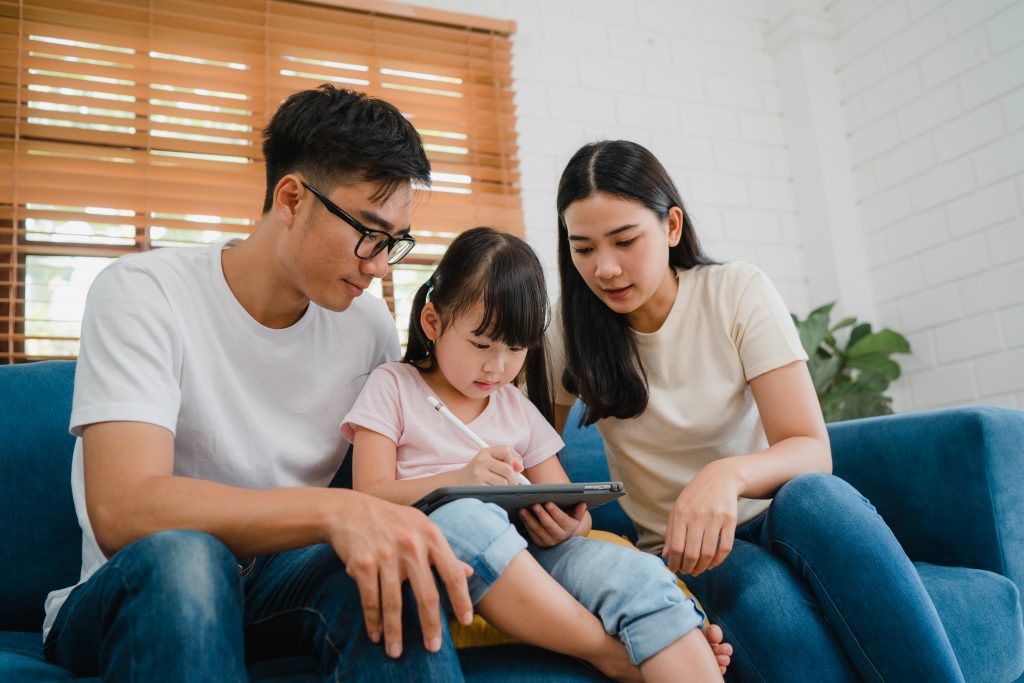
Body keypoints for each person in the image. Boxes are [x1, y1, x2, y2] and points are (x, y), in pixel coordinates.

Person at [41, 85, 480, 682]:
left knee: (391, 566)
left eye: (394, 244)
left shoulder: (366, 324)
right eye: (369, 233)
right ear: (292, 199)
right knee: (188, 558)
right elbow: (124, 509)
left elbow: (406, 466)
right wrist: (335, 511)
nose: (379, 266)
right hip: (142, 586)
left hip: (279, 579)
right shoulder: (144, 291)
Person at [547, 140, 967, 682]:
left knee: (819, 496)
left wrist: (726, 476)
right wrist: (558, 510)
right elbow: (535, 452)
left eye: (625, 241)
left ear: (671, 226)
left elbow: (811, 449)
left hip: (778, 514)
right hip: (687, 550)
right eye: (583, 249)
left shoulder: (735, 291)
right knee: (762, 594)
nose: (605, 269)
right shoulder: (568, 327)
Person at [342, 226, 727, 682]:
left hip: (530, 553)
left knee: (639, 574)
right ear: (432, 322)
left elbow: (569, 504)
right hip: (442, 551)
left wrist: (569, 524)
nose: (497, 366)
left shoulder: (514, 405)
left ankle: (681, 647)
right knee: (465, 518)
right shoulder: (394, 386)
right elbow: (367, 497)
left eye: (515, 348)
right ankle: (609, 653)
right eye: (481, 344)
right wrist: (457, 483)